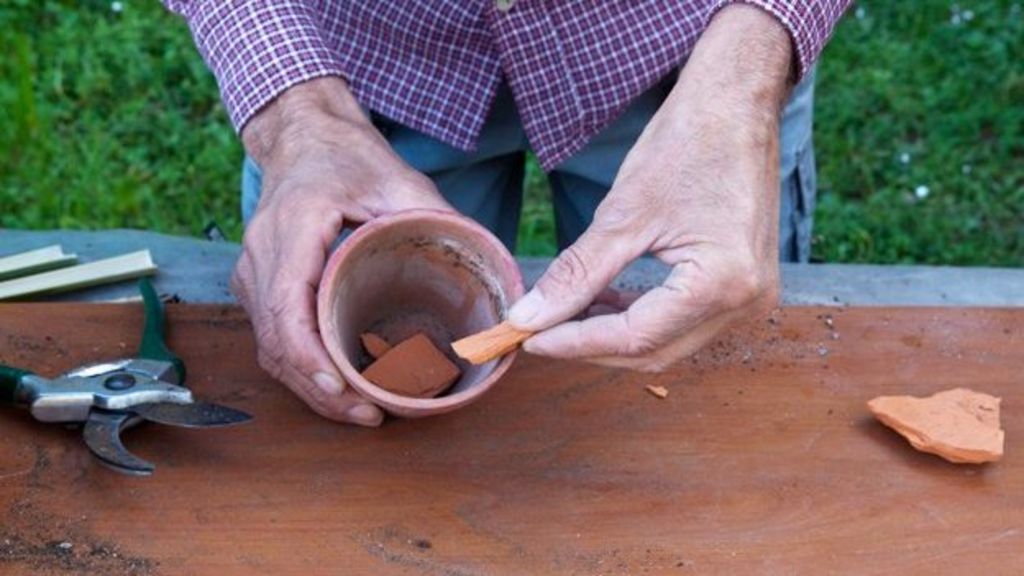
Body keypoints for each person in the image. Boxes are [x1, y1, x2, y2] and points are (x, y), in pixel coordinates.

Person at [164, 1, 851, 426]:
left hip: (689, 64)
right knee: (330, 349)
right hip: (356, 67)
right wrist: (295, 117)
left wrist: (748, 69)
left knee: (697, 386)